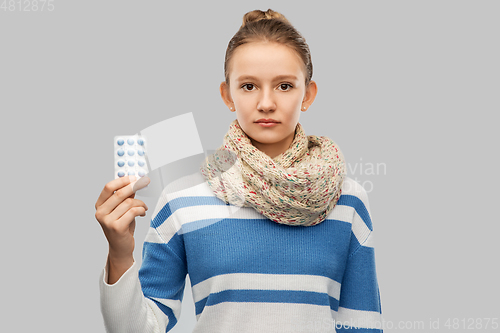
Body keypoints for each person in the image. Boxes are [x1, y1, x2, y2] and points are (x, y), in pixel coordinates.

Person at [95, 9, 383, 333]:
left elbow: (362, 324)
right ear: (227, 95)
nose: (266, 103)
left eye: (285, 86)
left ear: (309, 94)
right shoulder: (182, 199)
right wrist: (119, 253)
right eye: (248, 86)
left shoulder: (346, 199)